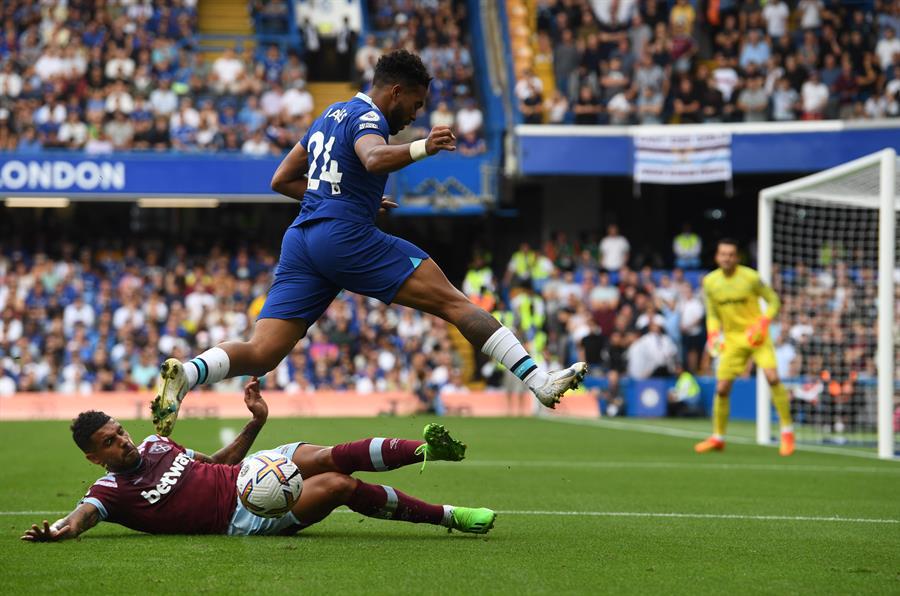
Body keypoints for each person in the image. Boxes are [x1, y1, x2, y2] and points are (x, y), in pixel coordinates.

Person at [152, 50, 587, 436]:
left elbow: (281, 179)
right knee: (455, 303)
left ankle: (187, 374)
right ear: (395, 92)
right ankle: (538, 380)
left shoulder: (330, 114)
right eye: (415, 105)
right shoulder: (368, 118)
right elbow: (375, 156)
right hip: (343, 237)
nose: (414, 116)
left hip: (302, 240)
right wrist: (423, 148)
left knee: (262, 352)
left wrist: (347, 197)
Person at [21, 378, 495, 542]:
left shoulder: (155, 446)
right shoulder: (107, 493)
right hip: (246, 513)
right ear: (93, 457)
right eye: (109, 441)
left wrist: (256, 424)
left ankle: (427, 450)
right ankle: (450, 517)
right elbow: (78, 519)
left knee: (323, 454)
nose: (122, 441)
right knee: (339, 485)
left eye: (119, 431)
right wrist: (57, 532)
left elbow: (218, 461)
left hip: (249, 473)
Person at [695, 239, 795, 456]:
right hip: (731, 340)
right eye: (723, 254)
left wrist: (763, 323)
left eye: (731, 254)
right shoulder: (710, 282)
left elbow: (774, 301)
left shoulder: (750, 277)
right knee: (721, 388)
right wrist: (713, 334)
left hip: (757, 337)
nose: (727, 258)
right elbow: (712, 314)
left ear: (737, 257)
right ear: (717, 257)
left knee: (773, 377)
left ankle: (787, 432)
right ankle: (718, 437)